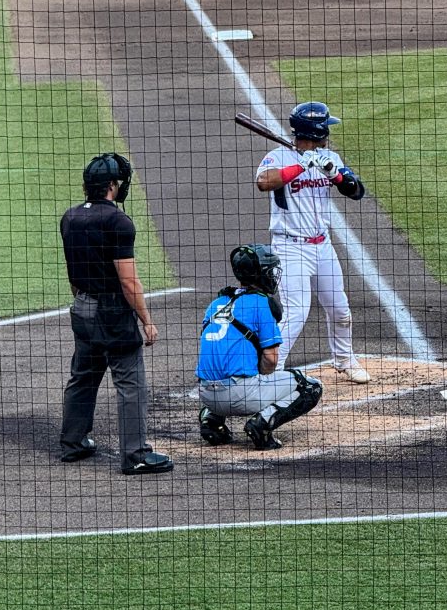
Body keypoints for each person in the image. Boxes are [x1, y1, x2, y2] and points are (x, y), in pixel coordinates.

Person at [59, 153, 173, 476]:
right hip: (112, 313)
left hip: (81, 307)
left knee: (83, 377)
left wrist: (85, 303)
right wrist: (146, 320)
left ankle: (74, 442)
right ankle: (135, 455)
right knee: (131, 382)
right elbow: (128, 280)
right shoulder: (118, 222)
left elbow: (72, 272)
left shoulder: (70, 218)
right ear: (112, 186)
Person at [255, 102, 371, 384]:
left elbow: (356, 191)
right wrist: (300, 166)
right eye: (326, 128)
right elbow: (263, 182)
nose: (329, 134)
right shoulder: (278, 157)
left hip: (322, 246)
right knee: (296, 312)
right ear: (316, 131)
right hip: (290, 248)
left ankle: (344, 360)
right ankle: (272, 371)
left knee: (340, 308)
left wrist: (336, 174)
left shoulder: (329, 156)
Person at [197, 244, 323, 451]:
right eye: (270, 271)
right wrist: (261, 374)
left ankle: (211, 421)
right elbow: (271, 360)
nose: (273, 276)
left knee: (228, 362)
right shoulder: (261, 303)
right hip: (240, 396)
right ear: (262, 274)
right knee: (309, 386)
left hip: (206, 395)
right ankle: (262, 424)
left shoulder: (216, 303)